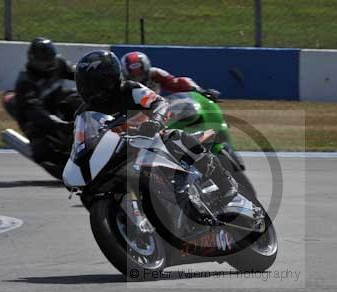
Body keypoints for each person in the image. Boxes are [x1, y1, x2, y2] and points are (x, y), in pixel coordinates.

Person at [74, 50, 236, 210]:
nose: (90, 89)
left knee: (176, 136)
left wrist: (156, 120)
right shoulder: (84, 112)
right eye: (85, 84)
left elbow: (159, 102)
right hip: (119, 148)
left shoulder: (130, 88)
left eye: (94, 84)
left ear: (108, 80)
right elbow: (80, 142)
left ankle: (224, 182)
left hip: (150, 131)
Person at [12, 37, 79, 174]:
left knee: (77, 97)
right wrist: (60, 124)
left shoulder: (59, 64)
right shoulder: (26, 81)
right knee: (41, 151)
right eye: (44, 60)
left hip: (56, 104)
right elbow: (35, 111)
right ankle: (63, 167)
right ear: (33, 59)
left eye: (50, 58)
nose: (49, 63)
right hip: (34, 118)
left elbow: (78, 74)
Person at [121, 51, 220, 100]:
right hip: (126, 115)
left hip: (155, 112)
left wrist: (200, 91)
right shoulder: (119, 80)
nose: (138, 78)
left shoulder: (155, 73)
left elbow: (177, 82)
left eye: (140, 74)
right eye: (133, 76)